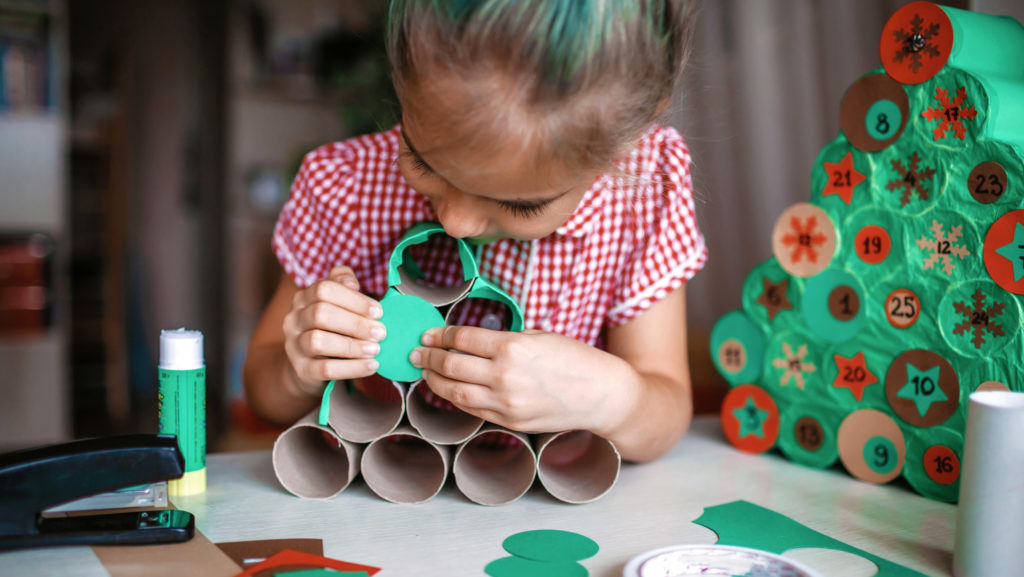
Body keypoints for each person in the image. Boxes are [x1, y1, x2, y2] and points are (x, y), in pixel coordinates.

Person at [243, 0, 706, 463]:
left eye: (519, 204)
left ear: (626, 141)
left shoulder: (645, 189)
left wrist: (610, 397)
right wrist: (297, 368)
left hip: (552, 506)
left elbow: (664, 414)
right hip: (391, 490)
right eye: (423, 162)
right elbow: (263, 392)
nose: (455, 223)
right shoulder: (343, 186)